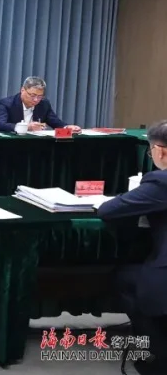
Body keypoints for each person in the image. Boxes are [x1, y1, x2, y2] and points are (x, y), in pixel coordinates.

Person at [97, 120, 167, 374]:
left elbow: (108, 210)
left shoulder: (161, 182)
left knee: (124, 278)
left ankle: (157, 355)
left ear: (160, 151)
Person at [0, 76, 80, 133]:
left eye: (40, 96)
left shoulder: (44, 104)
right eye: (32, 95)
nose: (36, 100)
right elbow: (0, 124)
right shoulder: (7, 103)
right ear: (22, 90)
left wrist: (67, 127)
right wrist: (26, 127)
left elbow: (55, 122)